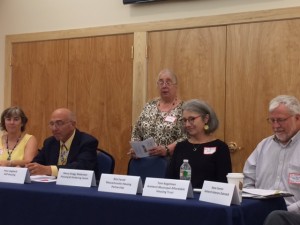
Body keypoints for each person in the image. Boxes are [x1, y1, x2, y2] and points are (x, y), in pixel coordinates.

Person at [243, 95, 300, 213]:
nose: (275, 126)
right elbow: (247, 180)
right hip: (260, 211)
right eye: (272, 120)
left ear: (297, 118)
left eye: (280, 120)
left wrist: (285, 212)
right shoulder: (263, 146)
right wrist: (254, 206)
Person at [166, 99, 232, 188]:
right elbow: (169, 179)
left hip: (207, 200)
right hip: (180, 199)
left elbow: (223, 183)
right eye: (184, 120)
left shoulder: (220, 148)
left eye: (191, 119)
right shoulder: (180, 147)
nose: (187, 124)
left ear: (206, 119)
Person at [129, 68, 186, 157]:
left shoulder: (184, 109)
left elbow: (186, 137)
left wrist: (167, 149)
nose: (164, 86)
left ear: (175, 86)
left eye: (168, 82)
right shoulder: (149, 106)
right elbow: (136, 131)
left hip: (169, 162)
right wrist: (136, 149)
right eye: (161, 82)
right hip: (144, 160)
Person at [26, 108, 98, 177]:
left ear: (73, 124)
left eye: (59, 123)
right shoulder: (50, 142)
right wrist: (30, 167)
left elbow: (81, 167)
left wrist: (49, 170)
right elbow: (37, 162)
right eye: (51, 124)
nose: (54, 128)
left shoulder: (87, 142)